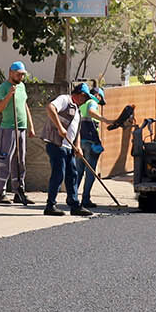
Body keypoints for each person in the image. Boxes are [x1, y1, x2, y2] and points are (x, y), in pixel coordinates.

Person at [43, 83, 89, 216]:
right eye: (84, 98)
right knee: (59, 174)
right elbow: (50, 107)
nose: (85, 101)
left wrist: (78, 146)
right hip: (57, 144)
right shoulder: (65, 100)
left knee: (72, 174)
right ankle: (50, 205)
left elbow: (77, 131)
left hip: (68, 146)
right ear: (80, 94)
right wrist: (59, 127)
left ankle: (74, 205)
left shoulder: (77, 110)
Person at [0, 61, 30, 204]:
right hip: (8, 128)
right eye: (19, 74)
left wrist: (30, 126)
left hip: (22, 128)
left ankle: (19, 191)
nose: (21, 77)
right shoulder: (3, 88)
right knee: (5, 160)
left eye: (23, 75)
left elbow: (25, 105)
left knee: (20, 162)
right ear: (11, 73)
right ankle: (1, 193)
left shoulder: (22, 87)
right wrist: (9, 95)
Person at [73, 83, 106, 211]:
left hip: (80, 142)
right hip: (90, 144)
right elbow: (92, 112)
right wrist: (105, 120)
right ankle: (85, 199)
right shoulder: (92, 102)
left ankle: (73, 197)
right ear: (97, 95)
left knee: (78, 172)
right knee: (90, 173)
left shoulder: (80, 105)